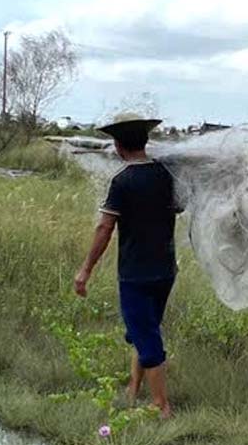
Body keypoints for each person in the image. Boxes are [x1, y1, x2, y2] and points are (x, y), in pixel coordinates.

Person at [74, 114, 178, 419]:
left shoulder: (123, 181)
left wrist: (85, 270)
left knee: (146, 337)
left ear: (119, 146)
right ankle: (133, 390)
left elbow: (105, 229)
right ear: (144, 142)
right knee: (143, 331)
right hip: (165, 271)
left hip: (136, 273)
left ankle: (161, 406)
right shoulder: (166, 175)